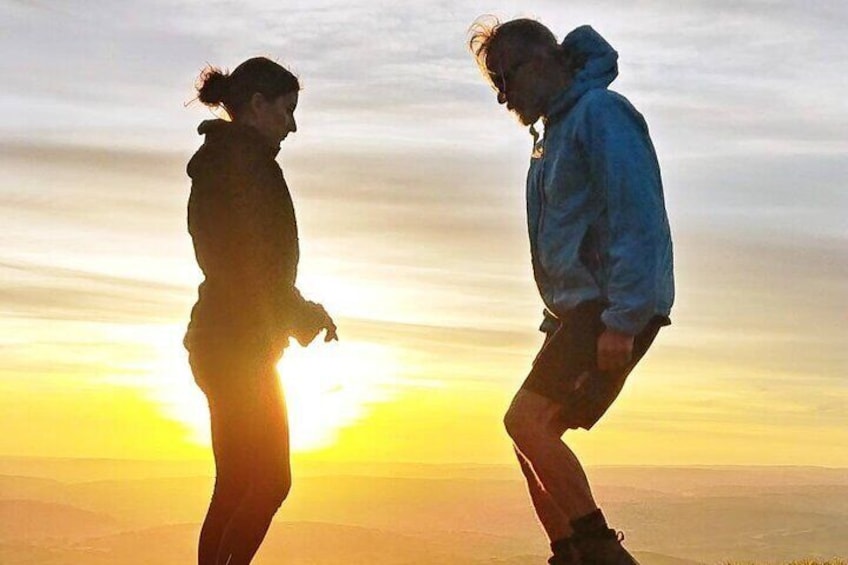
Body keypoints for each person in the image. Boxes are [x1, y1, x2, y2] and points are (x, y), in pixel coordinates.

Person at [469, 19, 674, 565]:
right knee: (528, 435)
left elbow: (636, 214)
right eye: (496, 86)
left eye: (505, 79)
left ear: (544, 59)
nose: (503, 98)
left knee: (525, 422)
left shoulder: (599, 115)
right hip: (579, 313)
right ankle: (569, 553)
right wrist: (556, 318)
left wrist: (623, 320)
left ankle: (600, 551)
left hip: (608, 309)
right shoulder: (557, 133)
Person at [184, 56, 337, 565]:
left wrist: (297, 312)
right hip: (236, 345)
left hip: (223, 340)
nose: (292, 124)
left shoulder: (227, 162)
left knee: (236, 483)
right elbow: (249, 265)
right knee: (271, 481)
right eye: (287, 110)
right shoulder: (240, 167)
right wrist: (302, 313)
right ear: (256, 106)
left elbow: (247, 265)